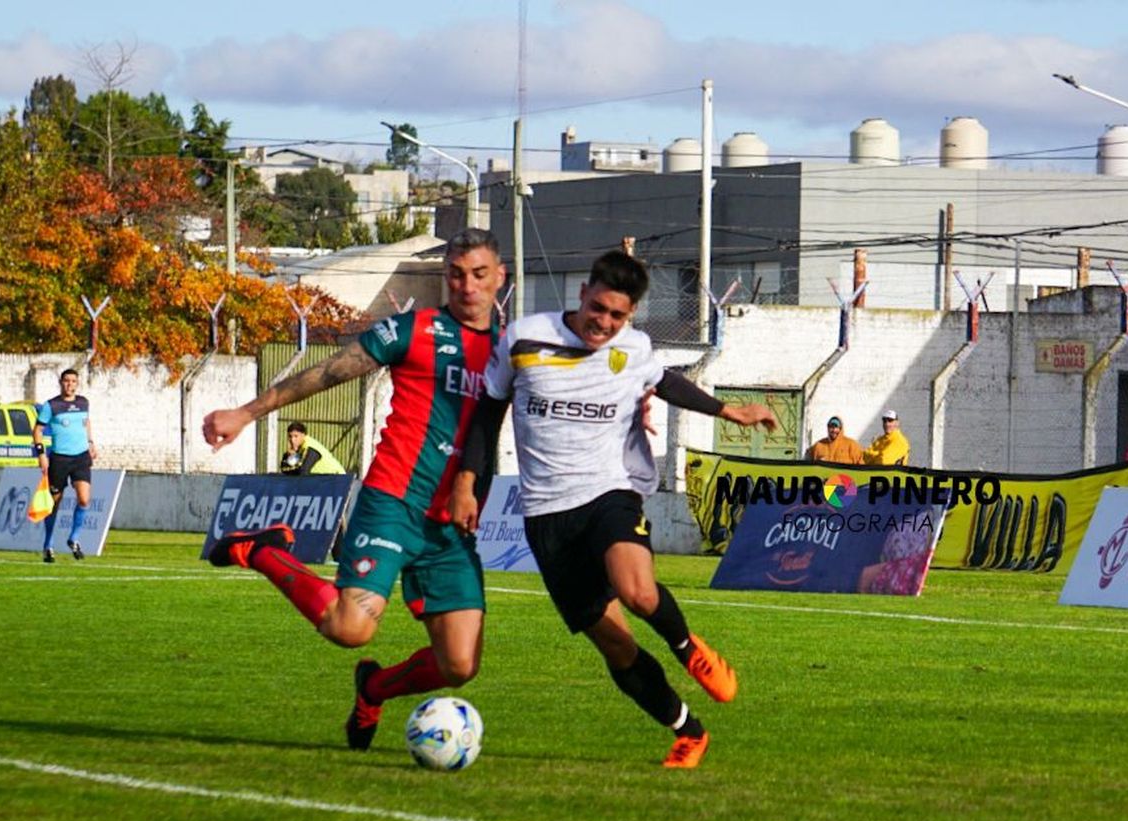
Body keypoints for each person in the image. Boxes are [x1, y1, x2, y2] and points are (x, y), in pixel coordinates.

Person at [449, 250, 777, 769]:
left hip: (609, 493)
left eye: (618, 316)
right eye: (598, 308)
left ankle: (688, 647)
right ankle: (687, 730)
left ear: (631, 317)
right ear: (583, 293)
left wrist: (727, 409)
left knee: (637, 589)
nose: (603, 323)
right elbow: (488, 414)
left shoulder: (634, 348)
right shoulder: (525, 338)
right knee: (616, 646)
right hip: (545, 515)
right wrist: (468, 484)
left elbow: (664, 380)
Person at [201, 227, 506, 752]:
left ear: (500, 277)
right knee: (350, 629)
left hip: (452, 521)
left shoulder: (512, 352)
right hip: (393, 501)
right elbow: (328, 373)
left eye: (479, 274)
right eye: (456, 274)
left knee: (459, 664)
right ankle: (264, 551)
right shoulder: (413, 330)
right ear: (445, 276)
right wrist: (247, 413)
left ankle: (375, 688)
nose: (467, 286)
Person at [33, 368, 98, 562]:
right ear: (61, 383)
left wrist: (91, 442)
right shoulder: (51, 405)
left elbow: (86, 423)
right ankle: (48, 545)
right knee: (54, 503)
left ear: (77, 384)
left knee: (84, 499)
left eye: (73, 382)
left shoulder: (83, 403)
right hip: (60, 459)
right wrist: (41, 455)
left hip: (81, 458)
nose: (70, 385)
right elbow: (38, 430)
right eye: (66, 381)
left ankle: (74, 538)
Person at [279, 421, 345, 475]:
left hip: (337, 479)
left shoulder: (311, 448)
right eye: (290, 436)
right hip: (323, 479)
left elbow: (304, 472)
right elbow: (285, 470)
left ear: (303, 435)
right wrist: (286, 457)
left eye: (296, 436)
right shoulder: (300, 449)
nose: (292, 440)